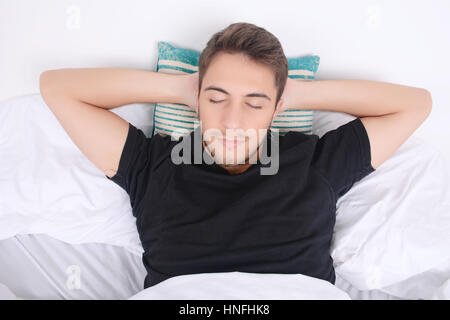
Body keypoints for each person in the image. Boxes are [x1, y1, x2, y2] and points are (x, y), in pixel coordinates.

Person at [39, 22, 432, 289]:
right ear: (198, 99)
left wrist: (294, 94)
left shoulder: (311, 161)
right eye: (217, 98)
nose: (232, 121)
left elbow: (416, 104)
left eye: (254, 103)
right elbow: (57, 87)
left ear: (277, 109)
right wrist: (180, 88)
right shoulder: (152, 164)